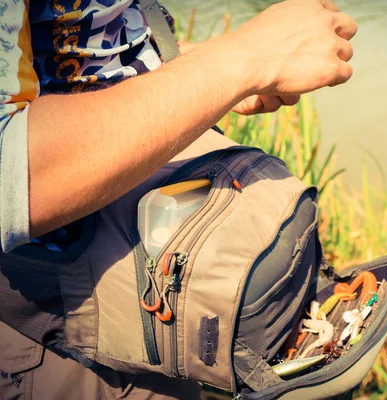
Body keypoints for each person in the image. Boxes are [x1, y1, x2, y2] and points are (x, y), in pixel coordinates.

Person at [0, 0, 357, 398]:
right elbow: (10, 178)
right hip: (57, 347)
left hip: (160, 320)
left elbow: (81, 39)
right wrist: (246, 57)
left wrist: (193, 69)